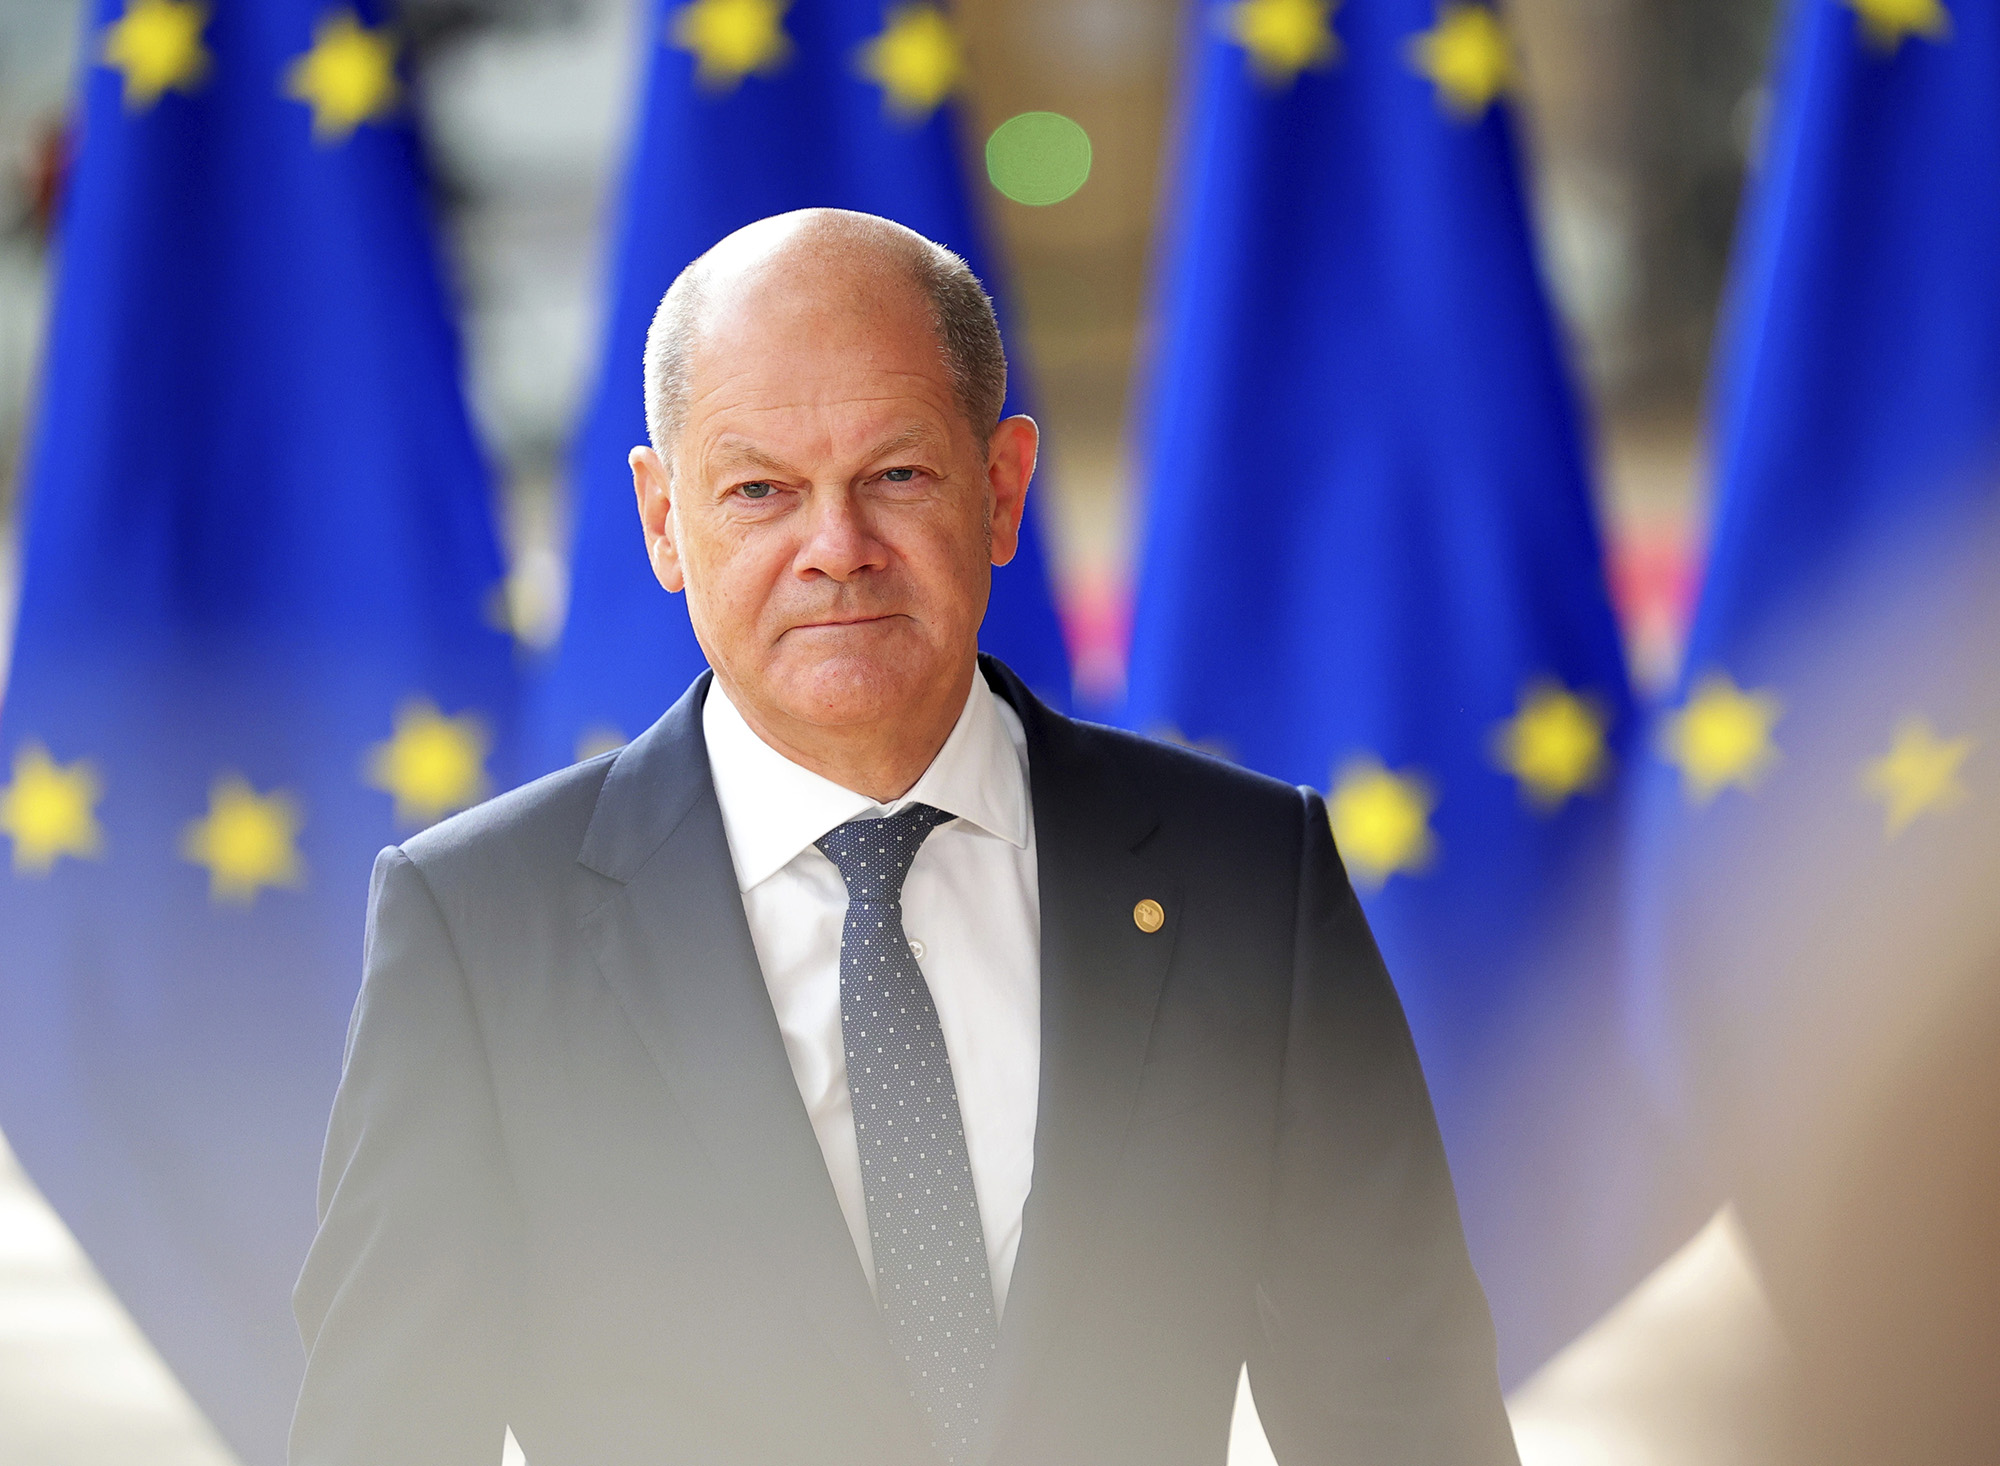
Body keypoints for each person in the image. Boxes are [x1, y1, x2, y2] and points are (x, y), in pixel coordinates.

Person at [290, 209, 1518, 1466]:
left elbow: (1404, 1414)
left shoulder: (1249, 879)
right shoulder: (481, 929)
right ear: (662, 518)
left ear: (1000, 489)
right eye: (758, 488)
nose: (835, 548)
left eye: (895, 474)